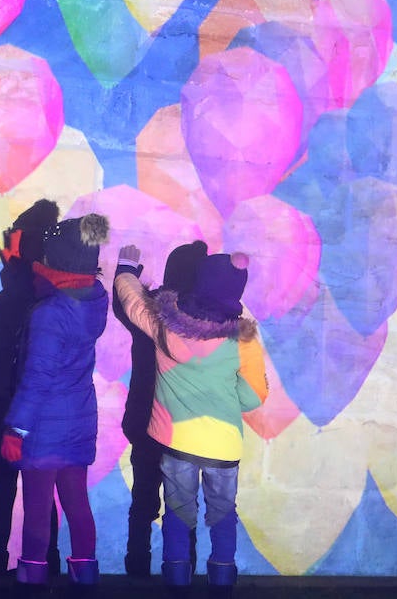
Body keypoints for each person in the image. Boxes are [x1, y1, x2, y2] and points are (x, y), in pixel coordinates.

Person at [113, 245, 268, 593]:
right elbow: (254, 396)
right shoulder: (242, 340)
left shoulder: (166, 326)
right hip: (223, 445)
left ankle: (176, 580)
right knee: (223, 514)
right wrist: (228, 398)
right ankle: (223, 579)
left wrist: (125, 268)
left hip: (176, 441)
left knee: (179, 514)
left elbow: (133, 302)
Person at [1, 213, 110, 589]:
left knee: (37, 508)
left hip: (44, 426)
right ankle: (86, 572)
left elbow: (37, 378)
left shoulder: (50, 313)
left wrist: (15, 428)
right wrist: (19, 266)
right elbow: (54, 281)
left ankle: (32, 573)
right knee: (77, 502)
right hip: (79, 420)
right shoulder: (93, 301)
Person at [0, 200, 62, 577]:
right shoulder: (58, 302)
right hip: (44, 418)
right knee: (43, 499)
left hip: (4, 410)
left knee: (2, 496)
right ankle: (46, 568)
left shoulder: (9, 300)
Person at [111, 239, 206, 578]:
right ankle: (184, 573)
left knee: (143, 504)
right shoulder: (205, 322)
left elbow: (126, 304)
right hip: (185, 431)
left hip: (146, 423)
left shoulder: (152, 314)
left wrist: (125, 272)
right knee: (184, 509)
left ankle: (136, 572)